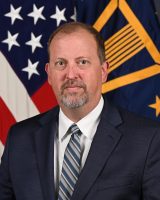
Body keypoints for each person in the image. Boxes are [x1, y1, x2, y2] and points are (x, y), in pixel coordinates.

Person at [0, 22, 160, 200]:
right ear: (49, 73)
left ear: (103, 71)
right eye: (61, 63)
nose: (70, 74)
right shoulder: (19, 138)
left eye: (82, 62)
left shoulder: (149, 140)